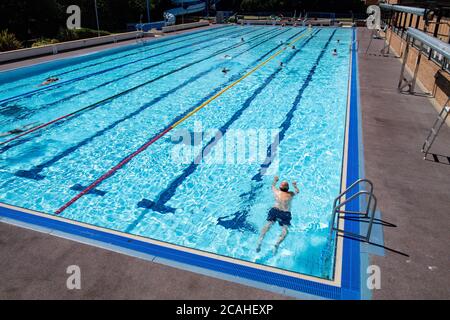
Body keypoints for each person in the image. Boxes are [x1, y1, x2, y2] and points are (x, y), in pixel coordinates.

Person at [256, 176, 299, 254]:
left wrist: (275, 180)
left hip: (275, 210)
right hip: (285, 214)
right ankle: (276, 244)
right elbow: (297, 191)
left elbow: (272, 186)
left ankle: (260, 240)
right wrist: (295, 186)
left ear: (280, 187)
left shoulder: (276, 192)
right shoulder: (291, 194)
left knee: (268, 225)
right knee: (285, 230)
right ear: (288, 188)